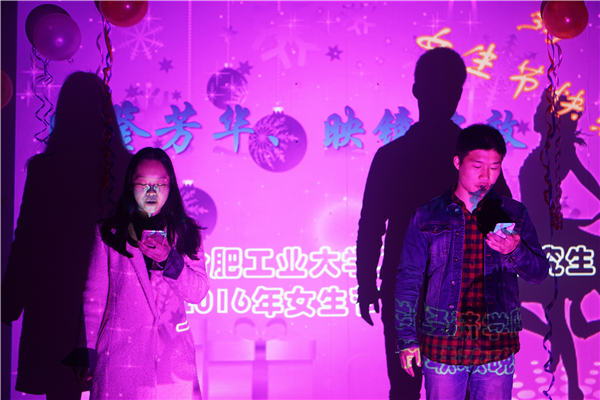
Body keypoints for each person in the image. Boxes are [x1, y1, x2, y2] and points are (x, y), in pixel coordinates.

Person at [356, 47, 512, 399]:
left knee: (406, 388)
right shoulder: (474, 158)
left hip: (424, 291)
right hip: (454, 292)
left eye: (449, 87)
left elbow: (371, 228)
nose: (446, 95)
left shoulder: (393, 155)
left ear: (416, 90)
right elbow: (503, 224)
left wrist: (366, 282)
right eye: (443, 87)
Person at [395, 124, 549, 400]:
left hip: (496, 347)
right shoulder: (428, 215)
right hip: (443, 346)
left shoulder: (514, 213)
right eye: (478, 166)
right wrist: (407, 338)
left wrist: (515, 250)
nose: (486, 176)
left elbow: (539, 273)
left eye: (494, 167)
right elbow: (408, 279)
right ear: (458, 162)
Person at [1, 71, 131, 400]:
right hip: (112, 297)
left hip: (54, 299)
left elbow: (27, 240)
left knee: (62, 391)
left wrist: (10, 302)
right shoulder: (124, 169)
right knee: (118, 385)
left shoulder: (46, 169)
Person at [63, 147, 210, 400]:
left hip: (172, 363)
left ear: (170, 186)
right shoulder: (109, 232)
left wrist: (169, 260)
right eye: (143, 184)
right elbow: (94, 297)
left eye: (159, 184)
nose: (151, 192)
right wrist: (85, 350)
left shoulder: (186, 232)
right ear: (131, 185)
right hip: (120, 358)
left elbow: (198, 292)